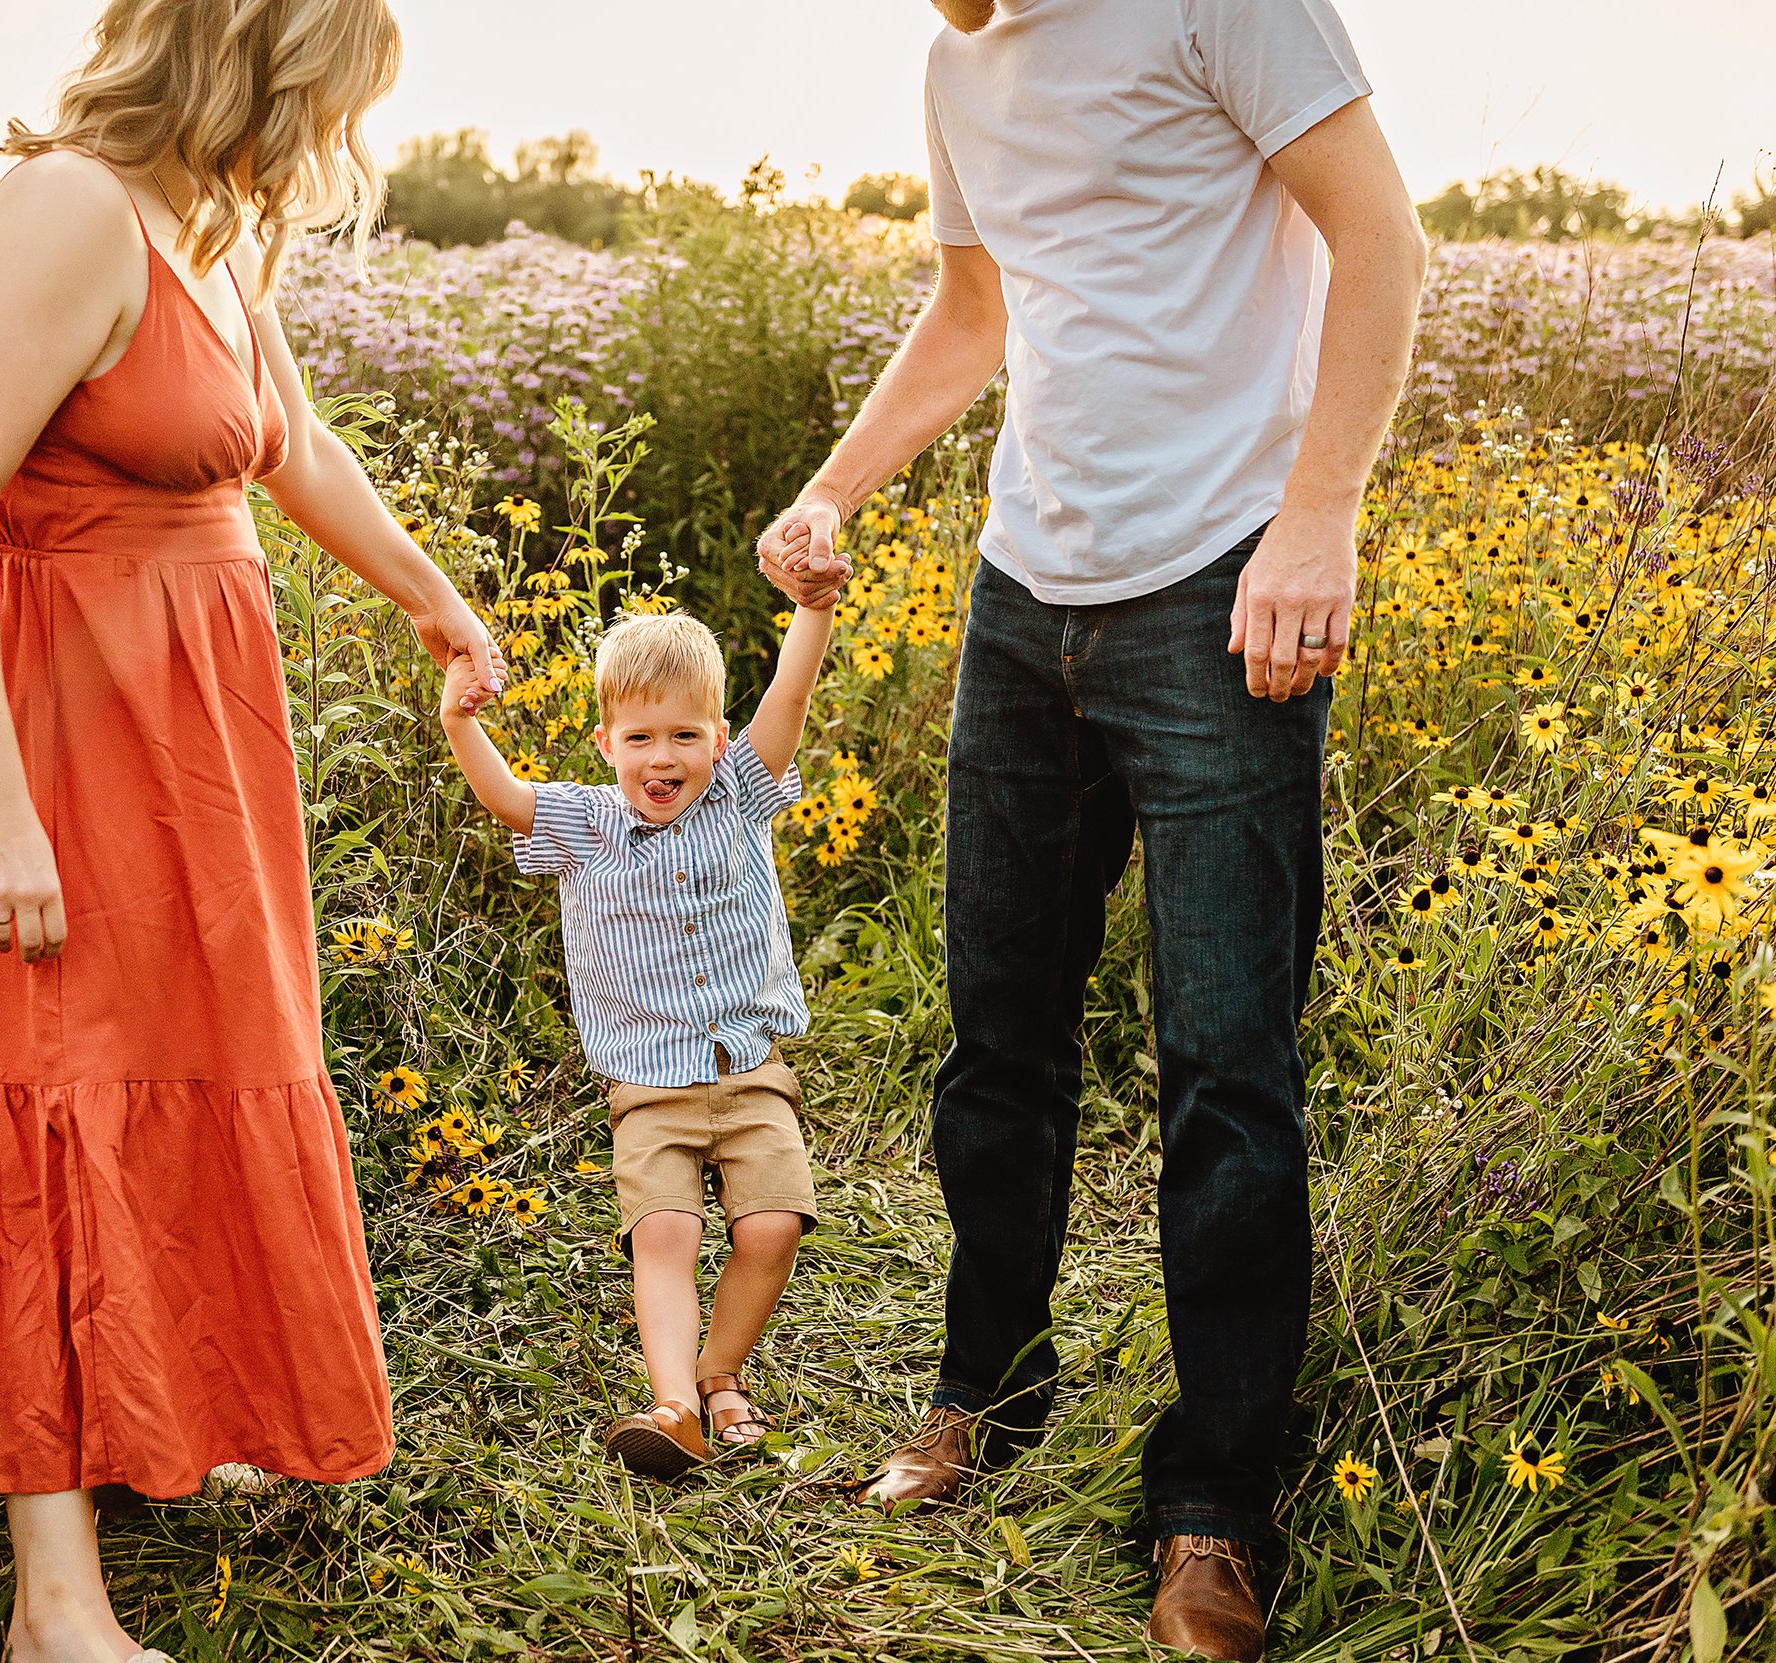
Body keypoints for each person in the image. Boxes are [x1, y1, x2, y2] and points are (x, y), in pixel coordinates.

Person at [0, 3, 506, 1660]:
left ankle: (136, 1426)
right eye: (330, 90)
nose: (336, 132)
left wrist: (434, 599)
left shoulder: (212, 225)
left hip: (192, 753)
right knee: (46, 1100)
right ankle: (56, 1608)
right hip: (58, 741)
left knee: (159, 1085)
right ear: (250, 53)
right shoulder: (63, 205)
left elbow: (292, 443)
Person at [757, 0, 1425, 1657]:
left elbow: (1383, 240)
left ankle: (1212, 1506)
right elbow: (973, 309)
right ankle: (988, 1388)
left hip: (1221, 592)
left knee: (1225, 1069)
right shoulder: (956, 62)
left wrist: (1319, 516)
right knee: (999, 1039)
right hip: (1022, 599)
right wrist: (837, 484)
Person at [437, 605, 834, 1476]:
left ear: (720, 738)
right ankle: (675, 1406)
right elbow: (504, 797)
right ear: (607, 742)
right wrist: (460, 720)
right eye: (642, 736)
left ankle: (721, 1369)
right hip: (648, 1086)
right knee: (665, 1232)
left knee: (771, 1228)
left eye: (686, 734)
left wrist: (814, 609)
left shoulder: (741, 795)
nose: (664, 758)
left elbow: (792, 697)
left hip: (749, 1065)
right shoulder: (586, 824)